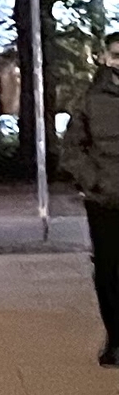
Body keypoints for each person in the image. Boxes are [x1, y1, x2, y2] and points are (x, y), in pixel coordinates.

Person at [76, 30, 119, 365]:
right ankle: (115, 339)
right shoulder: (90, 100)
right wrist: (95, 181)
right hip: (104, 201)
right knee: (107, 271)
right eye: (116, 55)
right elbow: (71, 150)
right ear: (106, 58)